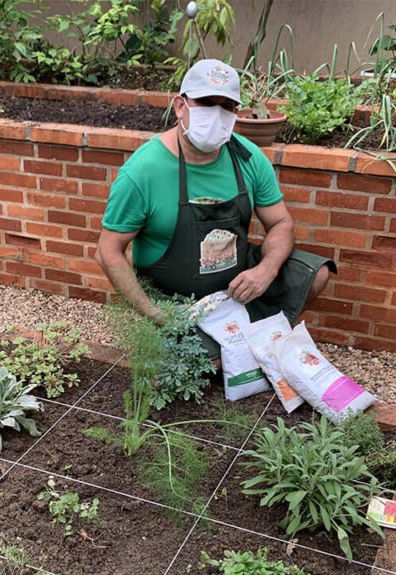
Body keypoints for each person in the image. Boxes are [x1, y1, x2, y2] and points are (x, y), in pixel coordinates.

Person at [95, 58, 336, 354]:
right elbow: (108, 252)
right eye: (206, 102)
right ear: (180, 106)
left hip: (237, 288)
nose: (217, 114)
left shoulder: (247, 157)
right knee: (212, 363)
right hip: (174, 298)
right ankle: (235, 347)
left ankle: (258, 338)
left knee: (316, 274)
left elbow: (281, 223)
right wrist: (153, 313)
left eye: (227, 106)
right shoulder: (143, 171)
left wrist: (266, 270)